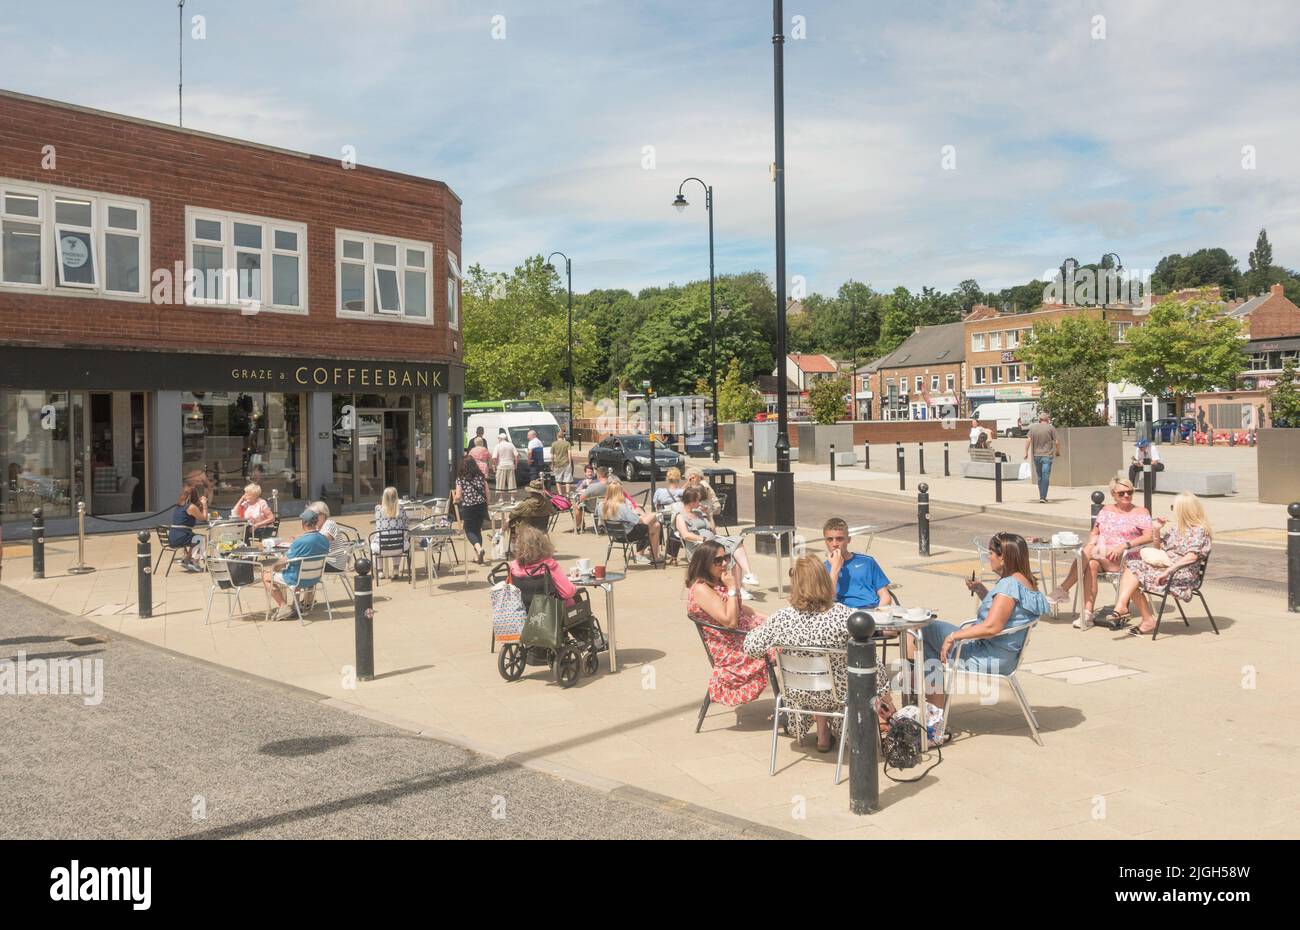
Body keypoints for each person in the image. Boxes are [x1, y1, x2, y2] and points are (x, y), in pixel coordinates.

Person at [743, 555, 895, 752]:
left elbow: (751, 648)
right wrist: (885, 694)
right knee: (860, 663)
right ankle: (886, 722)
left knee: (821, 672)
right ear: (824, 581)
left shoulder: (781, 619)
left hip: (798, 694)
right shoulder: (842, 615)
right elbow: (870, 657)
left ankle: (823, 735)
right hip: (837, 695)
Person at [909, 532, 1049, 725]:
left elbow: (992, 626)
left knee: (918, 633)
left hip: (989, 656)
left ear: (1004, 557)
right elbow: (1007, 615)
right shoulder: (1025, 581)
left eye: (991, 552)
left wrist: (954, 637)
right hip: (1005, 655)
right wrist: (982, 591)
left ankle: (933, 717)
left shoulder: (1009, 586)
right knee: (928, 631)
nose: (988, 556)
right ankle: (933, 707)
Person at [1048, 477, 1154, 629]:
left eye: (1129, 492)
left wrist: (1123, 546)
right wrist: (1092, 542)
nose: (1126, 496)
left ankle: (1063, 590)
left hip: (1126, 559)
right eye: (1121, 493)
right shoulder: (1106, 510)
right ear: (1113, 494)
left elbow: (1148, 536)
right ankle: (1087, 614)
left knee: (1089, 551)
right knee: (1091, 563)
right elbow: (1095, 531)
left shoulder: (1140, 512)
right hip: (1104, 556)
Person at [1112, 491, 1213, 636]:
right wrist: (1157, 530)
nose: (1172, 511)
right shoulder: (1176, 529)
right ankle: (1125, 607)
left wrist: (1168, 571)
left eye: (1174, 507)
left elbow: (1191, 556)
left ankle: (1137, 615)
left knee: (1134, 575)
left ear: (1184, 510)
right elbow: (1158, 549)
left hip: (1181, 575)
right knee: (1132, 567)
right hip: (1165, 569)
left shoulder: (1199, 531)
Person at [685, 539, 770, 707]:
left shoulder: (719, 580)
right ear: (704, 563)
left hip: (747, 633)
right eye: (718, 560)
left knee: (794, 636)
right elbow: (730, 621)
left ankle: (800, 704)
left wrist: (770, 619)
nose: (724, 563)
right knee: (789, 648)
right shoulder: (702, 589)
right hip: (733, 647)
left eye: (726, 557)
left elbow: (740, 608)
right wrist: (732, 587)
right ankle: (799, 704)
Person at [674, 486, 757, 595]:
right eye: (698, 500)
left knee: (737, 543)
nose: (700, 502)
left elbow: (713, 529)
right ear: (691, 501)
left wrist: (709, 515)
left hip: (713, 542)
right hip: (699, 547)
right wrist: (702, 539)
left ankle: (745, 578)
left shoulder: (698, 513)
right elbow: (685, 535)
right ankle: (739, 587)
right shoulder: (681, 516)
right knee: (732, 551)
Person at [262, 509, 332, 620]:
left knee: (266, 576)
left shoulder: (300, 541)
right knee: (297, 568)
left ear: (303, 523)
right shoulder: (324, 539)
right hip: (315, 578)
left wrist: (273, 568)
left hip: (297, 579)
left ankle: (283, 606)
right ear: (316, 522)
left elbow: (284, 561)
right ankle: (296, 604)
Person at [821, 517, 893, 609]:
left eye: (839, 539)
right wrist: (835, 568)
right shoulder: (821, 569)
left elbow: (885, 597)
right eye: (830, 539)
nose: (834, 544)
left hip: (872, 611)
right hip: (842, 615)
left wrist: (877, 614)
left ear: (848, 540)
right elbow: (825, 602)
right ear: (825, 541)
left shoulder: (867, 562)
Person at [508, 524, 577, 608]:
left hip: (524, 612)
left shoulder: (514, 566)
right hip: (551, 614)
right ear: (542, 544)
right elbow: (568, 592)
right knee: (575, 598)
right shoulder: (549, 565)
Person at [601, 482, 661, 565]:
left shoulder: (603, 506)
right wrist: (646, 516)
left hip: (615, 535)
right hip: (629, 535)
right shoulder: (622, 507)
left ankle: (652, 556)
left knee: (656, 526)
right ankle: (653, 557)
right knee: (654, 516)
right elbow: (639, 521)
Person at [453, 453, 489, 564]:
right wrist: (487, 505)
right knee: (477, 530)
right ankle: (477, 556)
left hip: (469, 507)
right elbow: (487, 492)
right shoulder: (481, 477)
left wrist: (455, 500)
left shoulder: (461, 479)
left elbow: (458, 496)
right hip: (481, 505)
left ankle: (479, 549)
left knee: (468, 530)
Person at [168, 483, 209, 572]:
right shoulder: (190, 507)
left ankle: (188, 559)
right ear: (195, 495)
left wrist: (200, 506)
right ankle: (193, 561)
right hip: (180, 537)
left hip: (173, 536)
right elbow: (203, 518)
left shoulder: (178, 506)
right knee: (201, 539)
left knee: (198, 538)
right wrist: (205, 505)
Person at [371, 486, 410, 578]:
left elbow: (377, 524)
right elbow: (406, 525)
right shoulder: (401, 509)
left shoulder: (378, 509)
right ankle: (396, 569)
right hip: (399, 547)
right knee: (399, 538)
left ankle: (380, 571)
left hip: (381, 548)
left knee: (375, 541)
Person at [1024, 412, 1060, 504]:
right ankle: (1043, 496)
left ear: (1039, 419)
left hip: (1036, 455)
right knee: (1045, 476)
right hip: (1047, 455)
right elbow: (1056, 441)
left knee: (1040, 476)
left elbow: (1028, 440)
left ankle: (1042, 496)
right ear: (1047, 419)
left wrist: (1026, 452)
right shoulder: (1051, 428)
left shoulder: (1033, 428)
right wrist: (1057, 451)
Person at [491, 431, 519, 503]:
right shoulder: (511, 445)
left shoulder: (498, 446)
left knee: (500, 482)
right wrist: (516, 464)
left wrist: (495, 465)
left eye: (499, 438)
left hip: (501, 465)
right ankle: (512, 498)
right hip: (510, 465)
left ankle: (501, 498)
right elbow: (516, 455)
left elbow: (494, 457)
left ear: (500, 439)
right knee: (511, 482)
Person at [551, 428, 573, 494]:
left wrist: (552, 464)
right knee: (567, 480)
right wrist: (570, 463)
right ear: (563, 437)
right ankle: (567, 494)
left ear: (557, 436)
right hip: (566, 463)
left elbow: (552, 456)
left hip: (557, 463)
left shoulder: (554, 444)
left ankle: (560, 494)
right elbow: (569, 454)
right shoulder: (567, 443)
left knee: (558, 480)